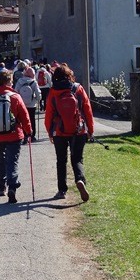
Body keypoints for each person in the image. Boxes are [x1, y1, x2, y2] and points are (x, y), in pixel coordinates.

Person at [0, 69, 33, 204]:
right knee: (12, 161)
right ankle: (12, 187)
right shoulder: (15, 96)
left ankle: (1, 186)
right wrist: (29, 131)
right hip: (14, 134)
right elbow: (24, 116)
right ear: (9, 82)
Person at [44, 63, 94, 202]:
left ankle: (62, 190)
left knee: (61, 160)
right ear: (69, 75)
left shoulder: (53, 92)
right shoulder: (78, 88)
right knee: (77, 158)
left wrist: (49, 131)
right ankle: (80, 179)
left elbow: (49, 114)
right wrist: (90, 129)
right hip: (79, 129)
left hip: (59, 131)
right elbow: (87, 110)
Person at [15, 66, 41, 143]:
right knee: (32, 119)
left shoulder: (19, 81)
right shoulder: (33, 82)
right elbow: (38, 94)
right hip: (32, 104)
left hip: (22, 104)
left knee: (23, 120)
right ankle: (32, 136)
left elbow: (16, 92)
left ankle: (25, 135)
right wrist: (38, 99)